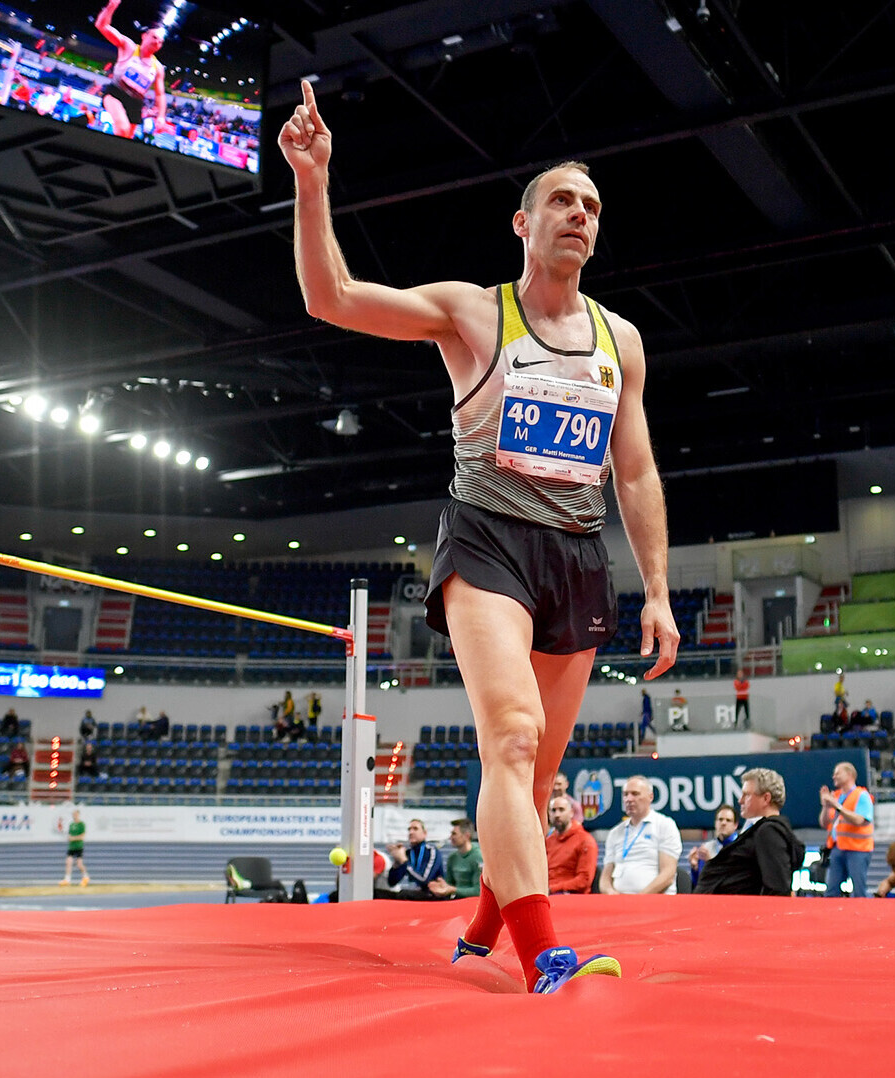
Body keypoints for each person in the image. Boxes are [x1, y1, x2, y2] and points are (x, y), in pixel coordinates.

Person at [285, 83, 674, 993]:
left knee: (535, 781)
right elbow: (331, 297)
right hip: (488, 542)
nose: (580, 215)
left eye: (592, 207)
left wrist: (657, 590)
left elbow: (636, 472)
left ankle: (480, 929)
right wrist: (312, 181)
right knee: (511, 739)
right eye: (562, 201)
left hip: (576, 554)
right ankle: (546, 957)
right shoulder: (472, 312)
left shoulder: (621, 340)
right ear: (523, 224)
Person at [691, 768, 802, 896]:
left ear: (766, 798)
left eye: (746, 795)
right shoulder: (760, 831)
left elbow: (777, 888)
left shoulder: (769, 832)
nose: (740, 800)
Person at [92, 0, 168, 140]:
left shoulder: (158, 68)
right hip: (115, 93)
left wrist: (161, 116)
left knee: (126, 139)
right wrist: (112, 5)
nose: (157, 42)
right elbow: (102, 26)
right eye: (154, 37)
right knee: (123, 129)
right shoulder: (129, 47)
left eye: (160, 42)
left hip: (135, 103)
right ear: (144, 36)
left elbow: (160, 94)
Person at [599, 776, 680, 895]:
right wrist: (611, 893)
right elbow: (605, 878)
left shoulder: (665, 825)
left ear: (650, 797)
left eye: (635, 794)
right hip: (620, 900)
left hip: (654, 900)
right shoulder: (615, 832)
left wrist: (638, 898)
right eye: (625, 794)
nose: (629, 799)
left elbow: (668, 875)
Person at [816, 761, 874, 897]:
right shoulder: (835, 796)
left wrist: (837, 806)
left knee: (859, 891)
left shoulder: (861, 795)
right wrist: (826, 806)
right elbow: (824, 823)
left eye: (837, 773)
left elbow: (860, 820)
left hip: (858, 849)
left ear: (849, 775)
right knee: (831, 892)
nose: (834, 776)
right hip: (838, 848)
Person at [543, 795, 599, 895]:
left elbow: (584, 880)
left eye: (561, 810)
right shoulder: (548, 841)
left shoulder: (585, 840)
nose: (557, 815)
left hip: (571, 896)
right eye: (553, 810)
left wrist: (553, 888)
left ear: (571, 813)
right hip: (547, 892)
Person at [384, 818, 446, 898]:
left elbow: (424, 880)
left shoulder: (432, 851)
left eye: (415, 829)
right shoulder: (408, 853)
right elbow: (392, 882)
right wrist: (397, 862)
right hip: (415, 893)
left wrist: (404, 860)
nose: (411, 832)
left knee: (403, 894)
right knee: (378, 893)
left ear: (424, 833)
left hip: (433, 894)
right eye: (409, 829)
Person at [687, 804, 739, 889]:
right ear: (715, 823)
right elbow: (700, 884)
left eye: (728, 820)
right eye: (720, 819)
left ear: (735, 825)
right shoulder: (706, 848)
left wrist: (710, 863)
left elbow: (734, 878)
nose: (723, 823)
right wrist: (695, 868)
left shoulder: (741, 846)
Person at [59, 809, 90, 886]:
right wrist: (69, 838)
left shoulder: (81, 824)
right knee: (68, 862)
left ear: (78, 815)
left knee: (79, 864)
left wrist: (73, 838)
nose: (74, 816)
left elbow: (82, 837)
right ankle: (67, 880)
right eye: (73, 814)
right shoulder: (71, 824)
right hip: (71, 847)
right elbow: (69, 835)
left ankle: (86, 877)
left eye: (76, 814)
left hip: (79, 846)